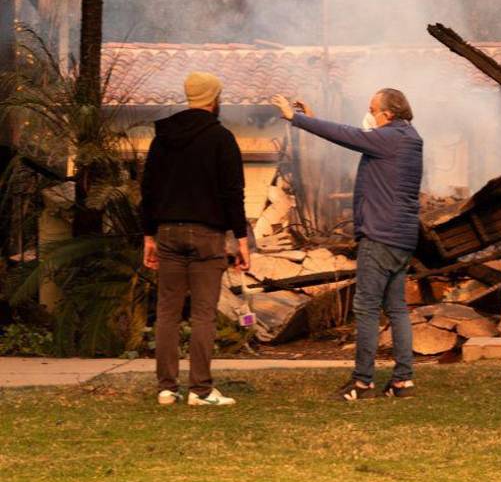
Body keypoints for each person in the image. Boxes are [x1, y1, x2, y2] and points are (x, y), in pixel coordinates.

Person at [271, 89, 423, 401]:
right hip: (402, 239)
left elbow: (348, 135)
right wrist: (314, 120)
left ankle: (362, 382)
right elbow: (350, 138)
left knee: (366, 308)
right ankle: (402, 380)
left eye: (372, 109)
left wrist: (295, 119)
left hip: (379, 237)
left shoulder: (389, 139)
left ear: (387, 114)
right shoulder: (406, 138)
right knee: (396, 308)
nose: (368, 114)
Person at [141, 72, 250, 407]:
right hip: (207, 235)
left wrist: (148, 236)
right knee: (203, 313)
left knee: (168, 312)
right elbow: (233, 192)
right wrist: (241, 239)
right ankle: (200, 390)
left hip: (167, 232)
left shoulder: (163, 138)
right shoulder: (221, 138)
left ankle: (166, 389)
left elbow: (148, 189)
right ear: (214, 98)